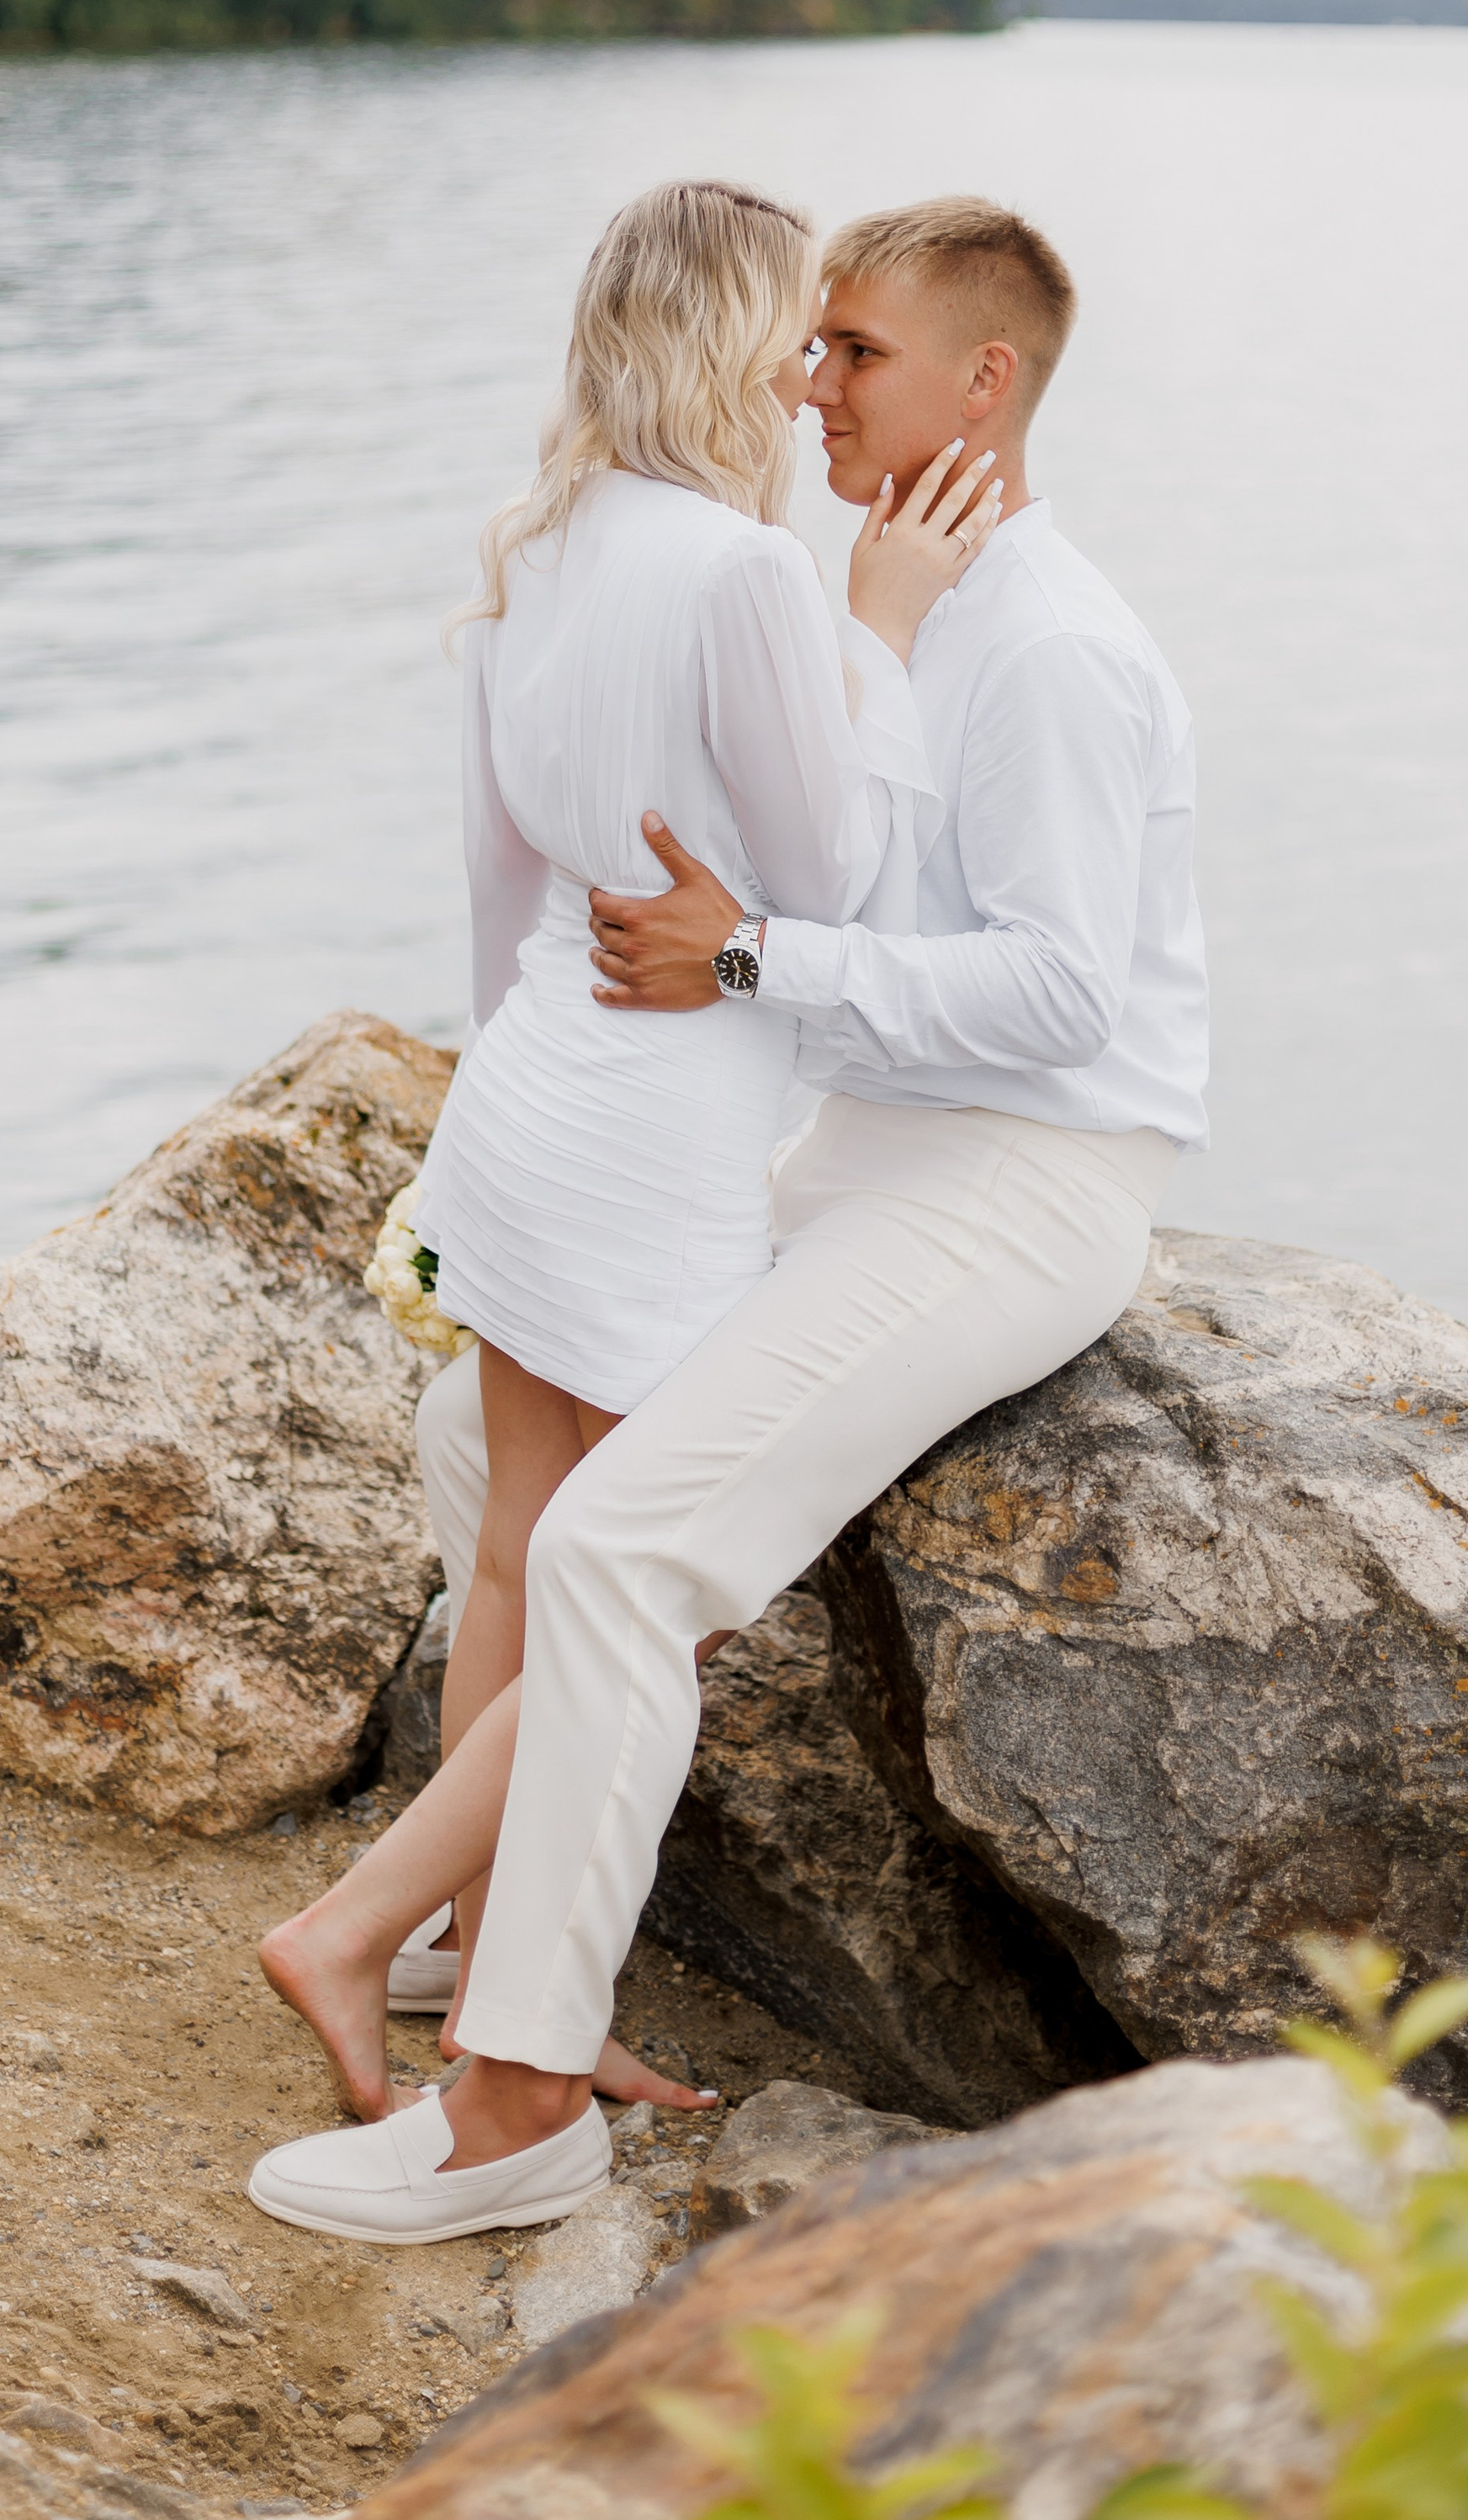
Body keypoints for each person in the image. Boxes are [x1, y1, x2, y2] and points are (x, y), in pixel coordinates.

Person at [252, 178, 997, 2233]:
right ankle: (362, 1934)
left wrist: (500, 1099)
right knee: (638, 1587)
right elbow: (831, 882)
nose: (804, 374)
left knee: (522, 1556)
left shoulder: (536, 544)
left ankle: (510, 1983)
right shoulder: (752, 576)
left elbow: (500, 897)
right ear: (732, 343)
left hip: (529, 1091)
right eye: (795, 334)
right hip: (660, 1132)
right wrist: (883, 626)